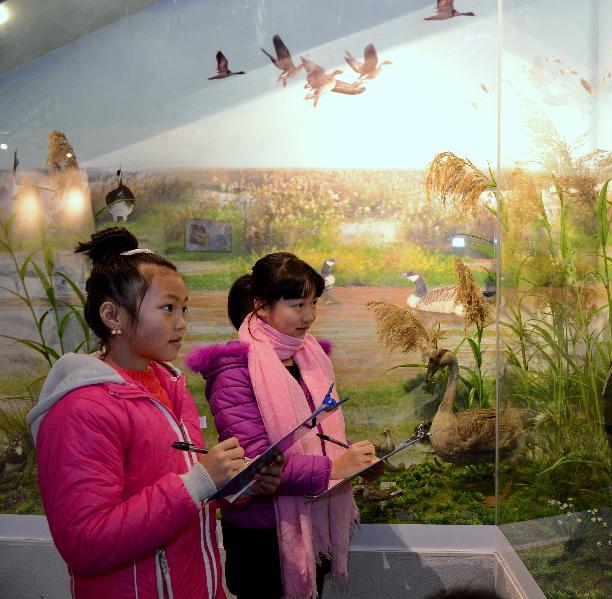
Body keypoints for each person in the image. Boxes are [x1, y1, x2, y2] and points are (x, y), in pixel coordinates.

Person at [28, 227, 281, 598]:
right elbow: (85, 544)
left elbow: (183, 489)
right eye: (167, 308)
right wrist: (199, 483)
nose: (181, 322)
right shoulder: (81, 409)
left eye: (184, 309)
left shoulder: (170, 386)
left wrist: (240, 485)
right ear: (112, 315)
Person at [186, 252, 380, 599]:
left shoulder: (310, 358)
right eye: (296, 304)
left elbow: (317, 434)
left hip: (312, 517)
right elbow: (256, 463)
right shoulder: (235, 370)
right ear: (261, 306)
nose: (309, 316)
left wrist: (351, 461)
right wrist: (333, 468)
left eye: (313, 303)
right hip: (262, 531)